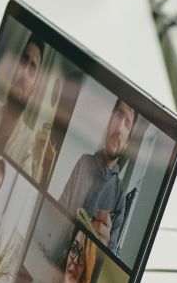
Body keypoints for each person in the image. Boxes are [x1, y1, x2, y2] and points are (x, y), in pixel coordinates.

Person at [58, 101, 139, 245]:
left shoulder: (120, 194)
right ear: (109, 121)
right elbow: (58, 210)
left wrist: (104, 244)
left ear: (127, 143)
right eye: (119, 115)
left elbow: (110, 253)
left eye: (127, 123)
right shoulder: (84, 162)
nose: (119, 128)